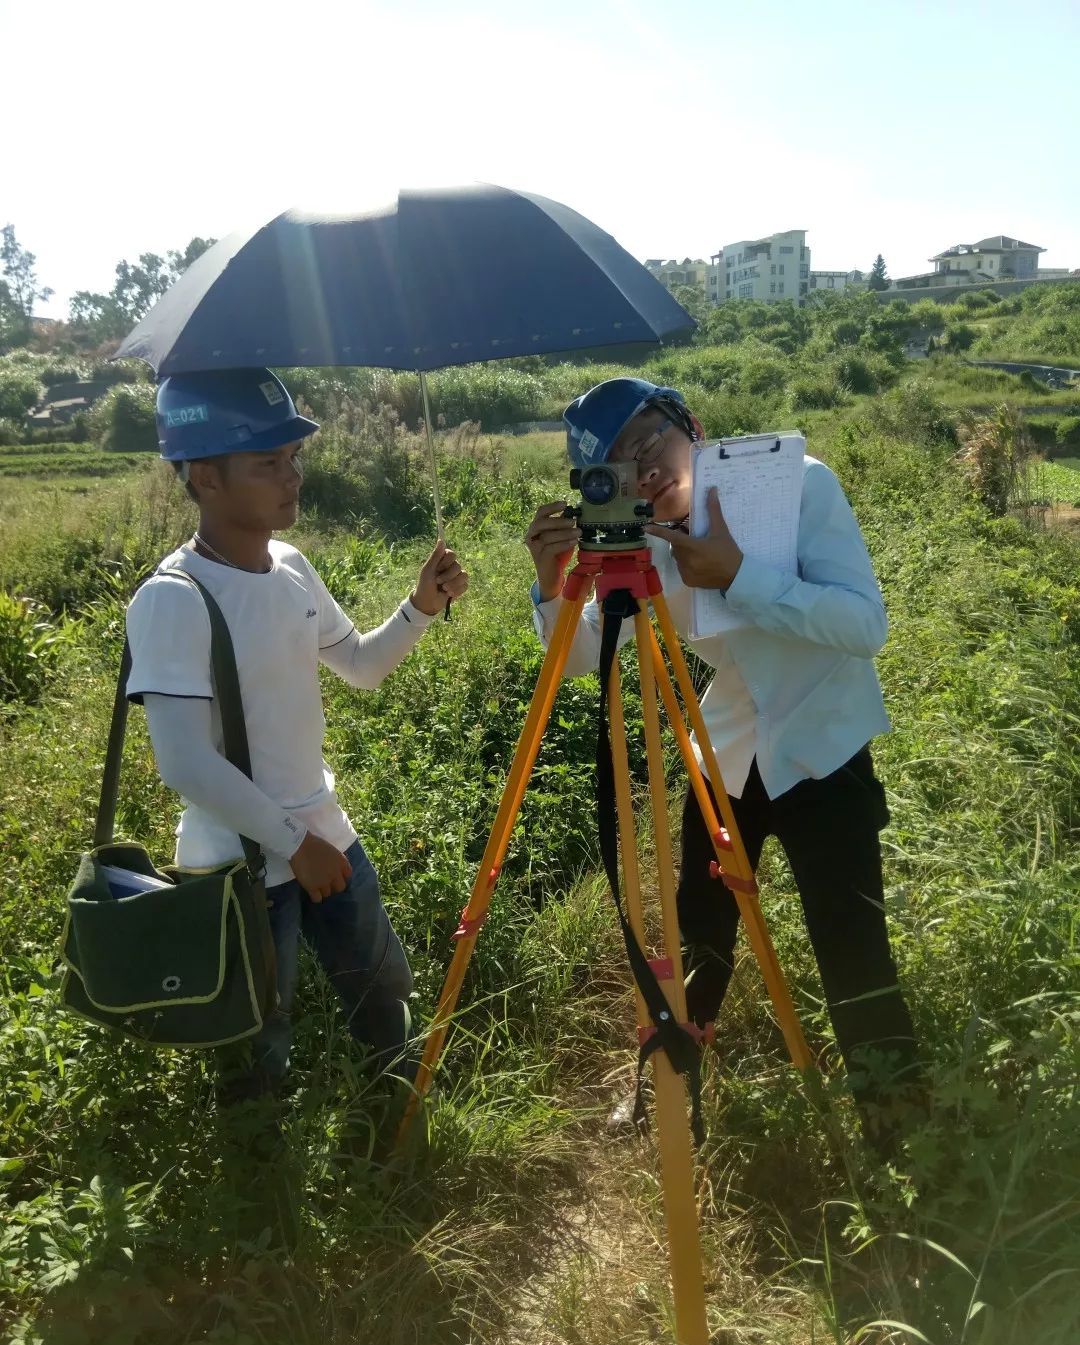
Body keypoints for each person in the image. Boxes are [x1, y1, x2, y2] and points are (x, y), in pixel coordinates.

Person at [524, 377, 922, 1148]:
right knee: (699, 932)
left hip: (825, 753)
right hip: (729, 756)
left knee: (853, 952)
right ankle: (676, 1080)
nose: (645, 473)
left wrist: (741, 576)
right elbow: (578, 660)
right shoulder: (638, 539)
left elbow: (864, 624)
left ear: (690, 425)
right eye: (618, 467)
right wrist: (552, 585)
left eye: (649, 443)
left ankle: (901, 1134)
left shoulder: (800, 486)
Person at [126, 367, 468, 1118]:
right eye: (268, 463)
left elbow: (363, 666)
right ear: (205, 477)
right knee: (257, 1037)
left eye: (293, 458)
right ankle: (263, 1184)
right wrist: (291, 844)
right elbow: (183, 761)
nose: (292, 478)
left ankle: (395, 1126)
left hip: (324, 830)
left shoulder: (291, 567)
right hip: (237, 864)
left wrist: (420, 605)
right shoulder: (174, 599)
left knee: (381, 993)